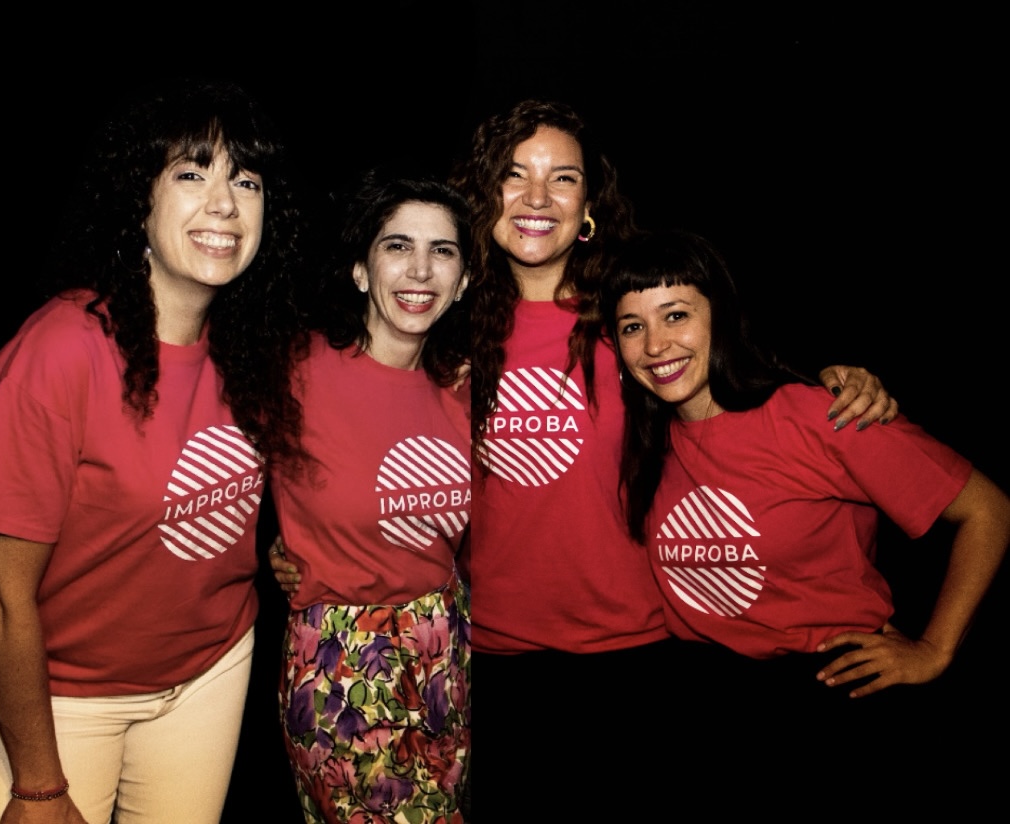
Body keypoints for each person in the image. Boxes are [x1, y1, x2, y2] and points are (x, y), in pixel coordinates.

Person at [447, 99, 899, 799]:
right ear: (485, 196)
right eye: (514, 174)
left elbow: (741, 388)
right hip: (491, 656)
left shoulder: (634, 318)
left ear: (589, 206)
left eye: (562, 178)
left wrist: (843, 379)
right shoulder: (448, 330)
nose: (537, 197)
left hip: (645, 654)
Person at [0, 78, 304, 824]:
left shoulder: (255, 348)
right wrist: (38, 786)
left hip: (209, 673)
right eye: (192, 173)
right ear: (138, 199)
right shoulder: (64, 348)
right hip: (58, 697)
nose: (224, 203)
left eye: (246, 181)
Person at [598, 228, 1010, 776]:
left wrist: (934, 649)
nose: (655, 345)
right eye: (633, 326)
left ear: (720, 315)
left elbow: (986, 509)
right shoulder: (644, 443)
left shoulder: (819, 414)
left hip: (829, 689)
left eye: (676, 316)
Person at [271, 170, 472, 822]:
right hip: (344, 660)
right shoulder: (293, 370)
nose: (420, 269)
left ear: (463, 281)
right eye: (397, 246)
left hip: (444, 647)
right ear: (361, 269)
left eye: (442, 251)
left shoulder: (465, 387)